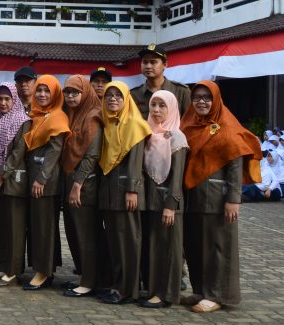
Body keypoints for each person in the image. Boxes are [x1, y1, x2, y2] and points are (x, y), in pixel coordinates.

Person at [180, 80, 261, 313]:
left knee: (218, 247)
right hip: (192, 196)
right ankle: (200, 290)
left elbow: (235, 165)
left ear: (216, 99)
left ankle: (217, 294)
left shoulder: (227, 127)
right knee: (195, 245)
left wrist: (234, 199)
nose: (201, 102)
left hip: (217, 199)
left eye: (207, 97)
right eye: (197, 98)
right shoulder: (189, 123)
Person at [96, 82, 151, 305]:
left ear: (127, 98)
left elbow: (136, 163)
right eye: (109, 95)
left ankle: (128, 289)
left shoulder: (135, 125)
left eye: (118, 95)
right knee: (115, 241)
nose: (113, 99)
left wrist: (132, 190)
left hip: (126, 193)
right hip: (110, 192)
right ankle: (117, 284)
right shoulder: (108, 123)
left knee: (129, 241)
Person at [21, 75, 71, 290]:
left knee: (43, 227)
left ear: (55, 94)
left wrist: (42, 178)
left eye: (46, 91)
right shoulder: (38, 115)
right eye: (39, 90)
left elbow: (55, 150)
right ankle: (43, 268)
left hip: (45, 182)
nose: (41, 94)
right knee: (38, 226)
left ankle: (43, 271)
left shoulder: (58, 117)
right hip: (34, 178)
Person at [140, 91, 189, 308]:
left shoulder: (176, 137)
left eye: (162, 106)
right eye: (153, 105)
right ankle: (154, 290)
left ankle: (166, 294)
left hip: (168, 204)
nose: (157, 110)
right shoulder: (148, 134)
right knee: (154, 247)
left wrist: (171, 205)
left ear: (171, 109)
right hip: (150, 201)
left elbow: (177, 177)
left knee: (168, 248)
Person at [59, 75, 106, 298]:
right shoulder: (71, 114)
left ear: (85, 93)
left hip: (85, 183)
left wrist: (78, 183)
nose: (70, 97)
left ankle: (89, 282)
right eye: (67, 92)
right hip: (71, 179)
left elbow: (92, 155)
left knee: (87, 233)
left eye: (75, 92)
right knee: (76, 232)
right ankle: (87, 276)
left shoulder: (93, 116)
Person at [0, 83, 30, 286]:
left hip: (13, 182)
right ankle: (4, 266)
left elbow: (18, 152)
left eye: (7, 99)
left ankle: (13, 271)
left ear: (14, 100)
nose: (3, 103)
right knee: (1, 227)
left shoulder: (23, 121)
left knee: (14, 228)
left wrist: (2, 173)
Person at [129, 44, 191, 120]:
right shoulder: (134, 94)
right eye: (145, 62)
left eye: (153, 62)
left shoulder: (181, 91)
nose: (148, 66)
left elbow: (190, 121)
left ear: (165, 65)